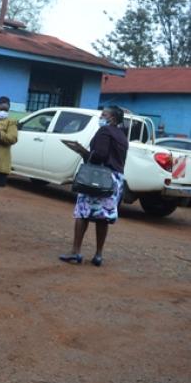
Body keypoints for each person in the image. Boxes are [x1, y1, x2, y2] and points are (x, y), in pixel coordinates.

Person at [59, 106, 129, 267]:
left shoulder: (104, 131)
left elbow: (100, 155)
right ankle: (98, 255)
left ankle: (75, 252)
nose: (101, 117)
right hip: (114, 180)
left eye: (104, 115)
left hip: (98, 177)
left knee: (82, 213)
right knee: (103, 217)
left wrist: (84, 152)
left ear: (112, 119)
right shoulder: (122, 136)